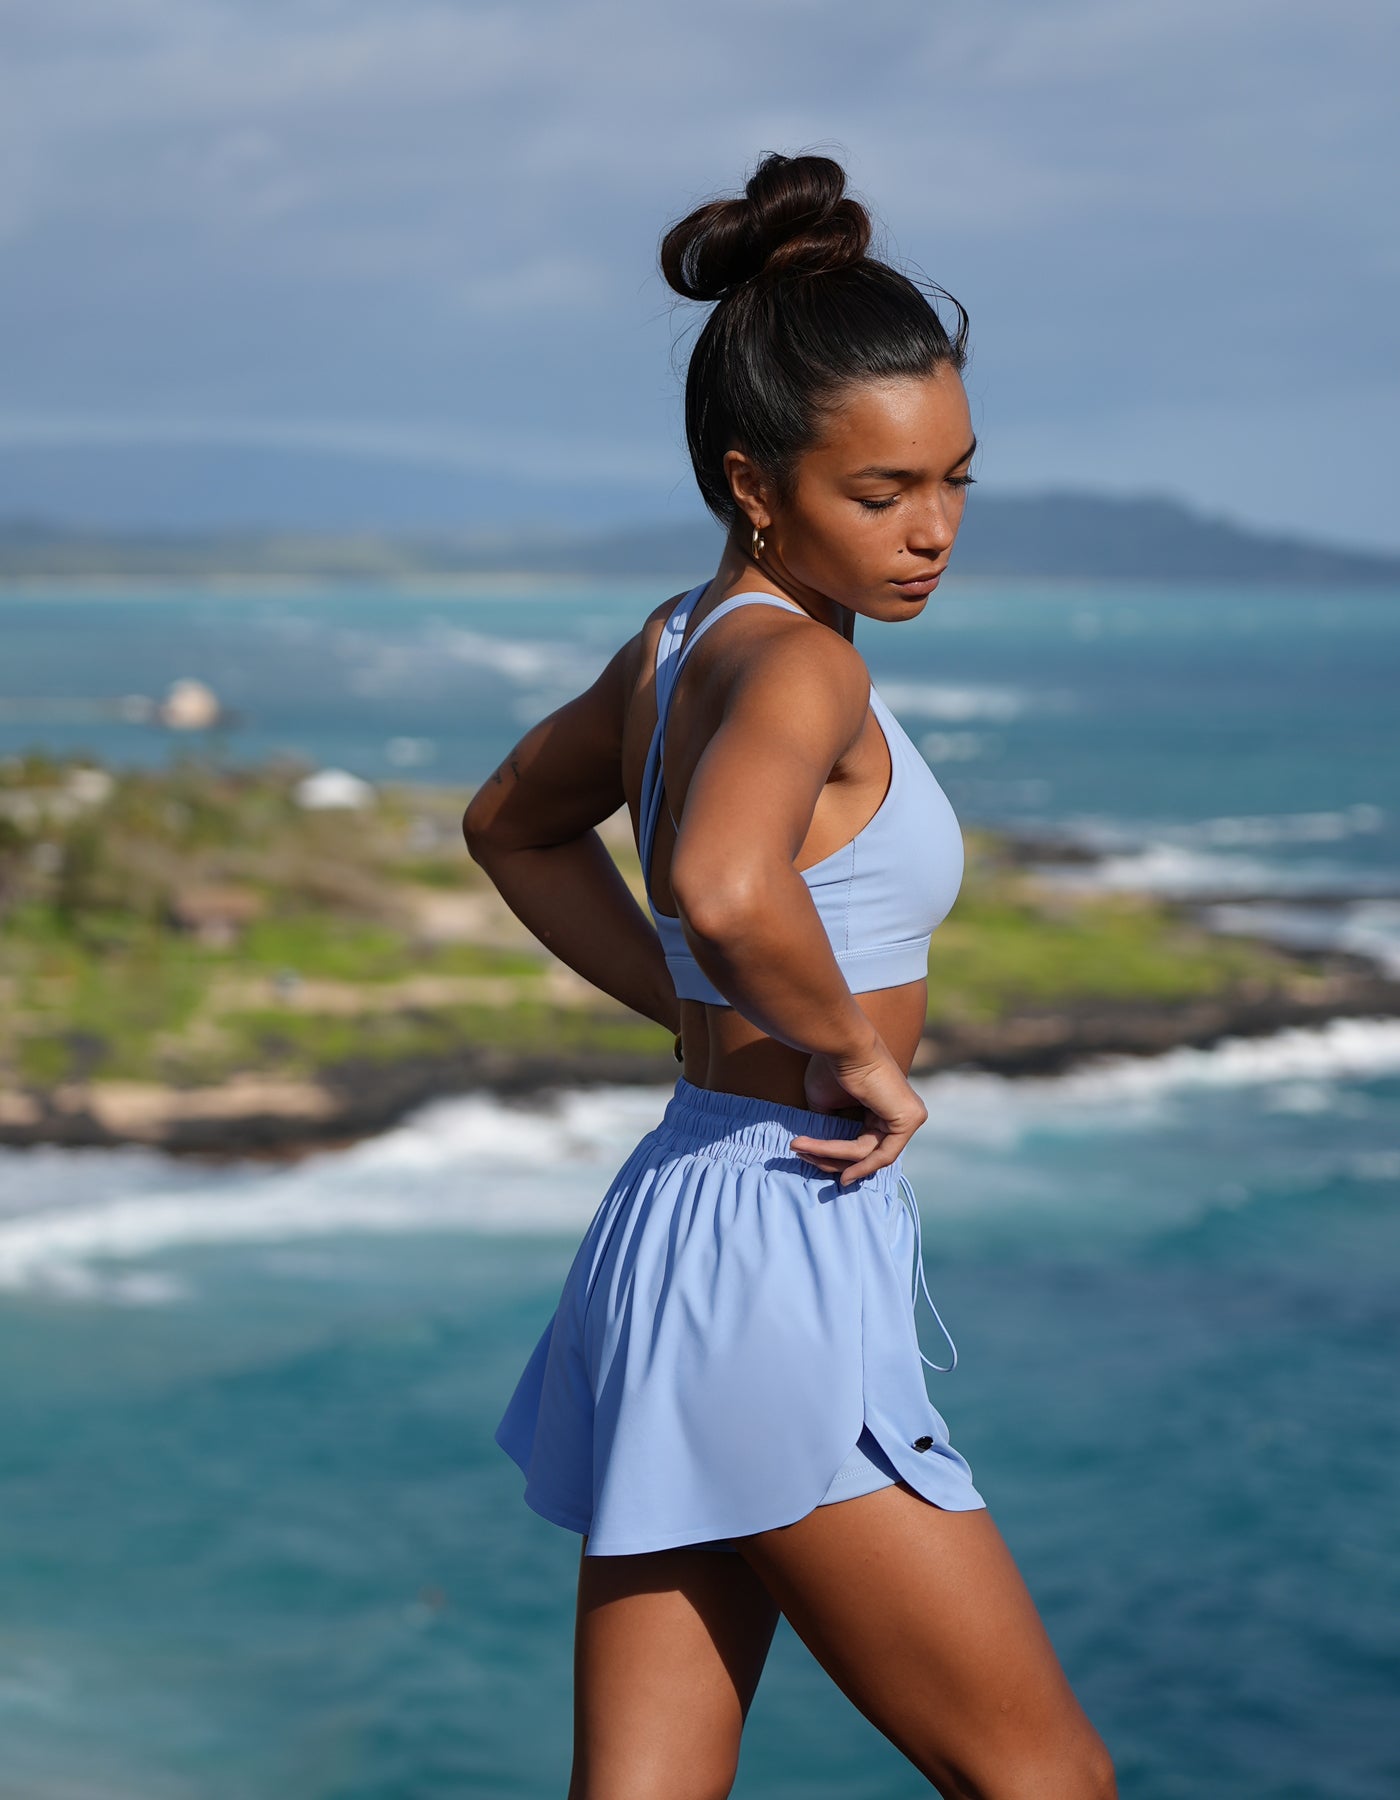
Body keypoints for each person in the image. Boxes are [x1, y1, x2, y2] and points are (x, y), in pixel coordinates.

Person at [465, 152, 1116, 1800]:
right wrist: (851, 1050)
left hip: (676, 1213)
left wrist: (700, 1008)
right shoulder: (807, 666)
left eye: (955, 480)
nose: (934, 530)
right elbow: (722, 882)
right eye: (882, 492)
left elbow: (513, 825)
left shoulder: (674, 644)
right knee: (1047, 1782)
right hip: (774, 1236)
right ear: (756, 482)